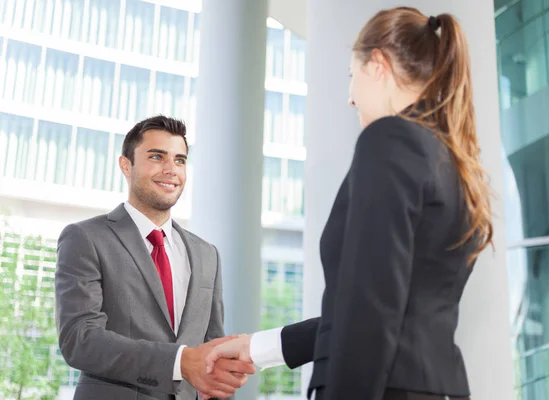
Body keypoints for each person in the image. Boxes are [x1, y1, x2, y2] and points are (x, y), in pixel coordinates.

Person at [205, 7, 493, 400]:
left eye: (351, 75)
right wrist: (260, 348)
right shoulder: (452, 161)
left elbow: (370, 312)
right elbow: (385, 304)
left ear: (378, 65)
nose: (350, 98)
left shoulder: (390, 139)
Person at [54, 115, 255, 400]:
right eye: (157, 157)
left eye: (180, 160)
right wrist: (180, 361)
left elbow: (211, 350)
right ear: (126, 165)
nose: (171, 169)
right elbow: (80, 339)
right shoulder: (85, 238)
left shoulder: (207, 254)